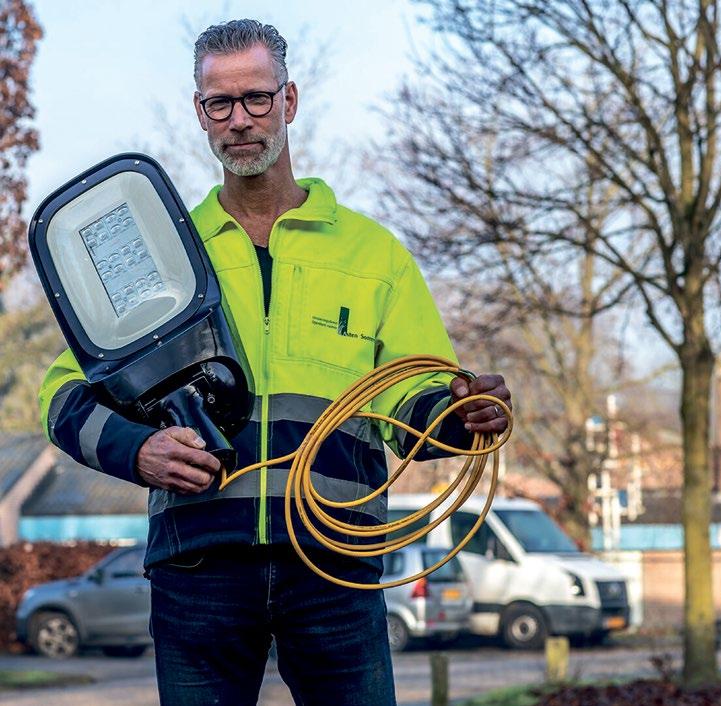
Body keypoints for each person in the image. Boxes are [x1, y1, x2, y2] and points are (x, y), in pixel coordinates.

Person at [38, 19, 511, 706]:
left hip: (335, 567)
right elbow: (62, 395)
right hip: (198, 563)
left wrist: (461, 416)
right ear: (199, 111)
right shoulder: (160, 256)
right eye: (220, 103)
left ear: (288, 100)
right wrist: (138, 450)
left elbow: (414, 400)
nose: (240, 120)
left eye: (256, 97)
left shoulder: (372, 255)